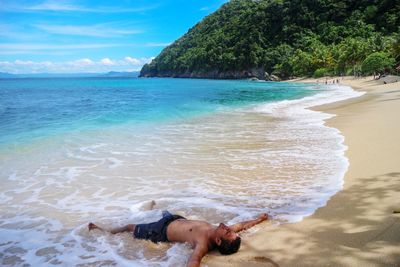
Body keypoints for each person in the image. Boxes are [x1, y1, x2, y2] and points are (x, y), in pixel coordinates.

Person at [88, 208, 269, 267]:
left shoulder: (203, 243)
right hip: (176, 219)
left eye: (228, 232)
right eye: (230, 230)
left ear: (219, 241)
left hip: (160, 230)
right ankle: (152, 207)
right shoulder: (225, 231)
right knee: (164, 211)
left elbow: (195, 260)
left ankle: (102, 230)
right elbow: (242, 225)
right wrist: (259, 219)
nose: (227, 227)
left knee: (129, 227)